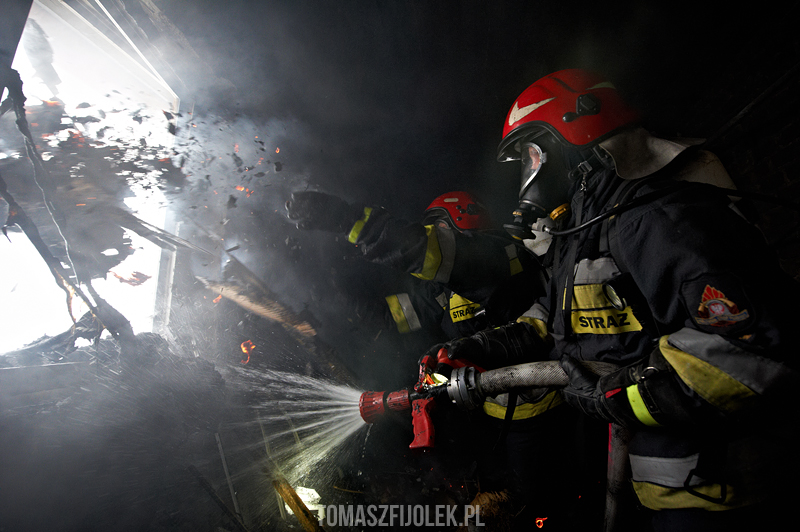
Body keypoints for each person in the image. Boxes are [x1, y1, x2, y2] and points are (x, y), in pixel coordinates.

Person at [439, 68, 800, 531]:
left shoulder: (655, 216)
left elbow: (746, 353)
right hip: (670, 485)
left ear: (570, 136)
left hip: (728, 490)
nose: (528, 173)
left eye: (530, 155)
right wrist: (484, 347)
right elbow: (555, 318)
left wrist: (617, 395)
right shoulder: (589, 229)